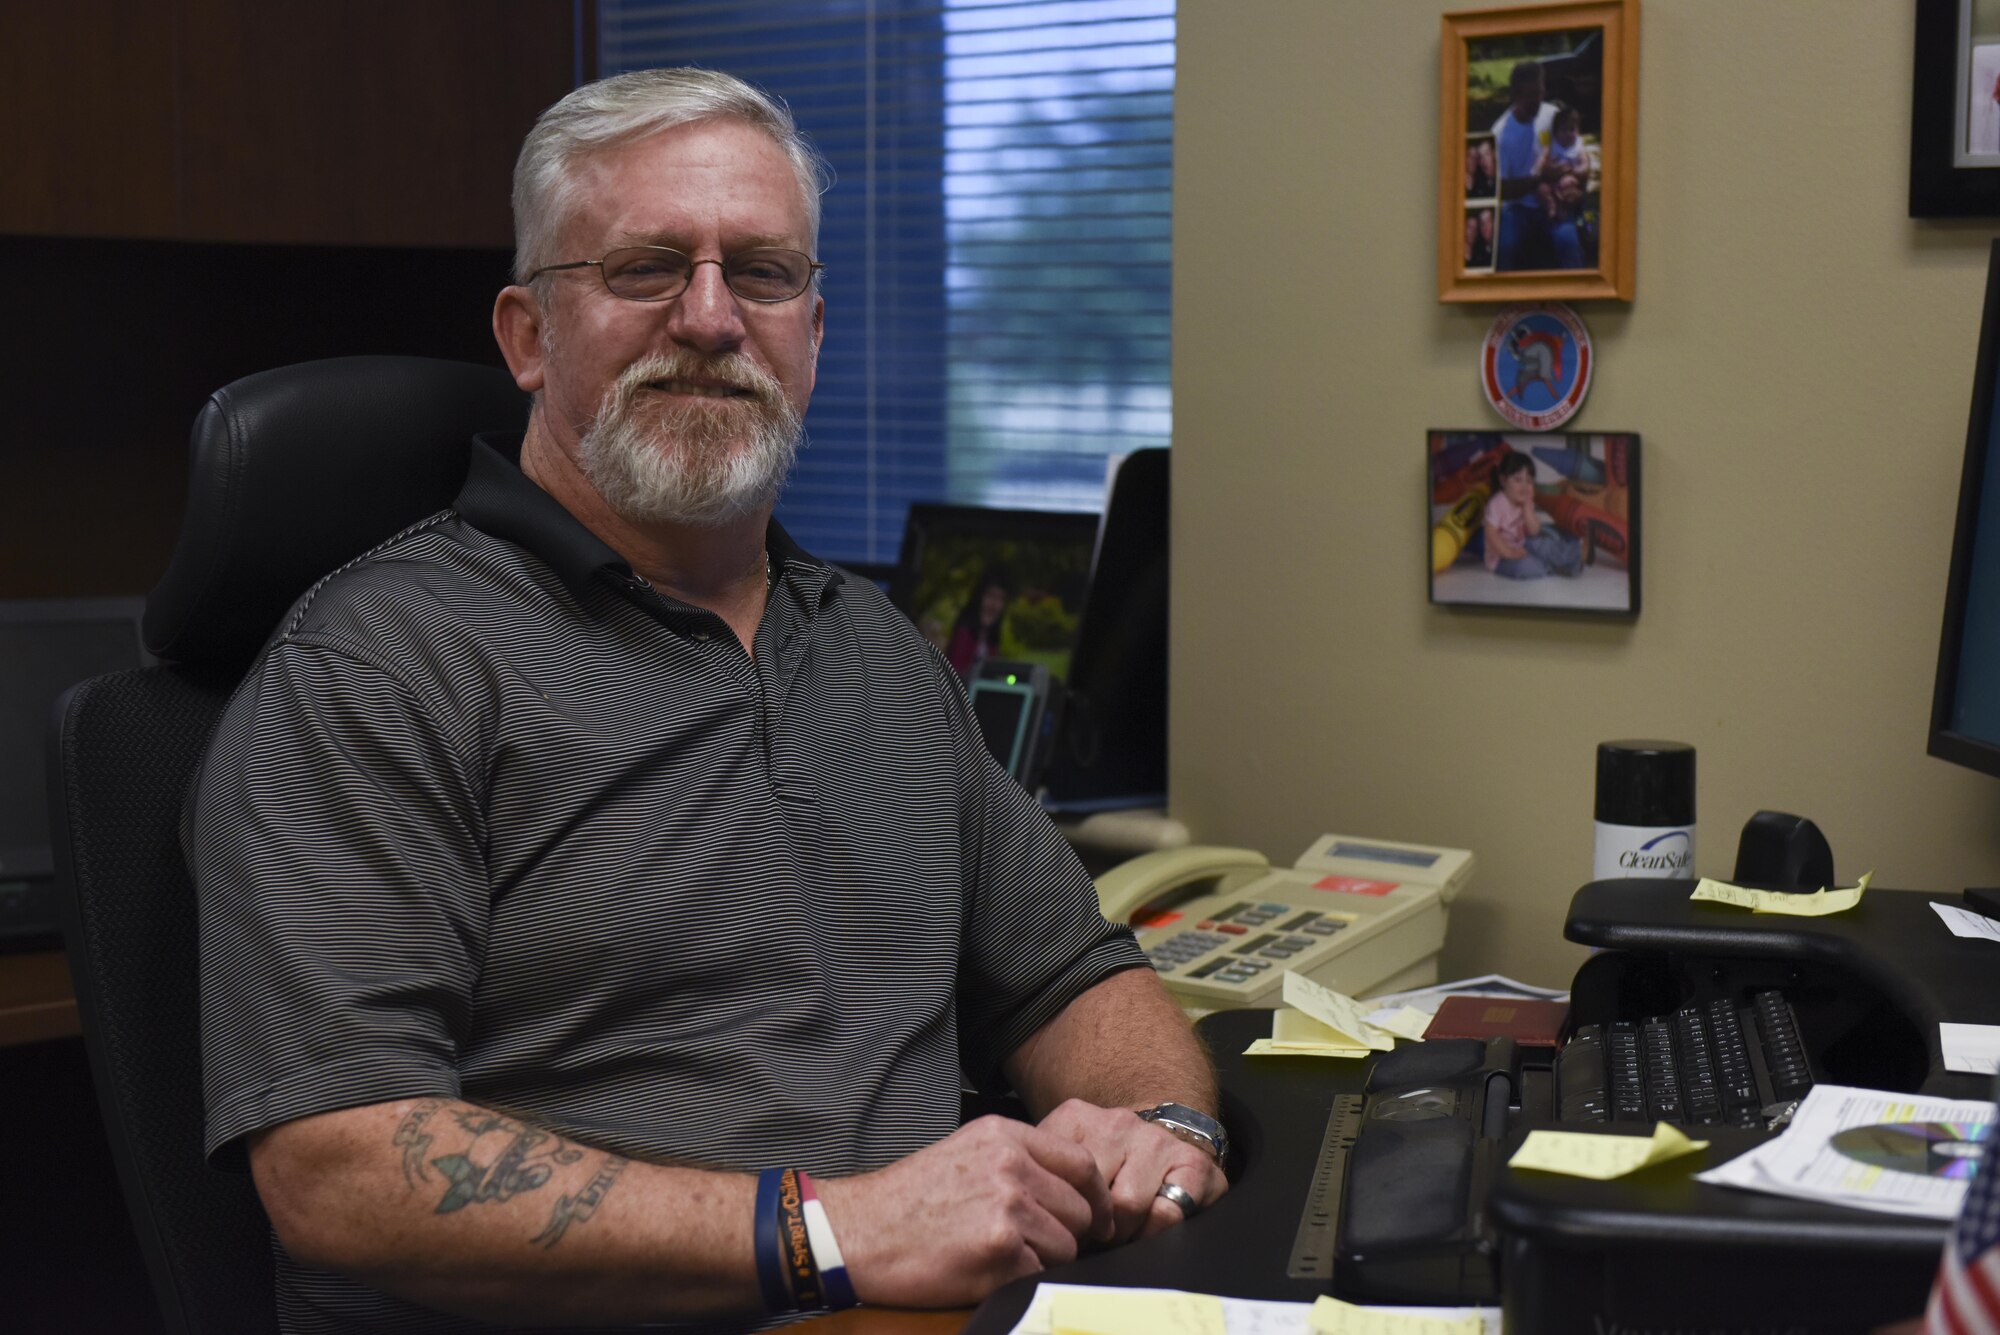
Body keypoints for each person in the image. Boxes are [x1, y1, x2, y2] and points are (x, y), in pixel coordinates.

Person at [188, 67, 1226, 1335]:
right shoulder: (378, 668)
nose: (711, 318)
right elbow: (337, 1167)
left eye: (764, 274)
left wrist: (1160, 1127)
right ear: (527, 336)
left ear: (812, 334)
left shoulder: (872, 644)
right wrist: (832, 1233)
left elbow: (1065, 973)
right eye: (644, 268)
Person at [1482, 451, 1581, 579]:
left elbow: (1534, 531)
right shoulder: (1497, 504)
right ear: (1503, 480)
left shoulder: (1525, 502)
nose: (1524, 486)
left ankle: (1571, 555)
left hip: (1523, 544)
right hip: (1501, 557)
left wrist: (1527, 509)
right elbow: (1490, 533)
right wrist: (1509, 553)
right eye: (1518, 480)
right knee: (1525, 567)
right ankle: (1560, 566)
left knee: (1543, 544)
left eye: (1529, 481)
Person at [946, 565, 1012, 679]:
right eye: (990, 596)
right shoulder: (965, 632)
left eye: (1000, 599)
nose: (994, 604)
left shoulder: (992, 638)